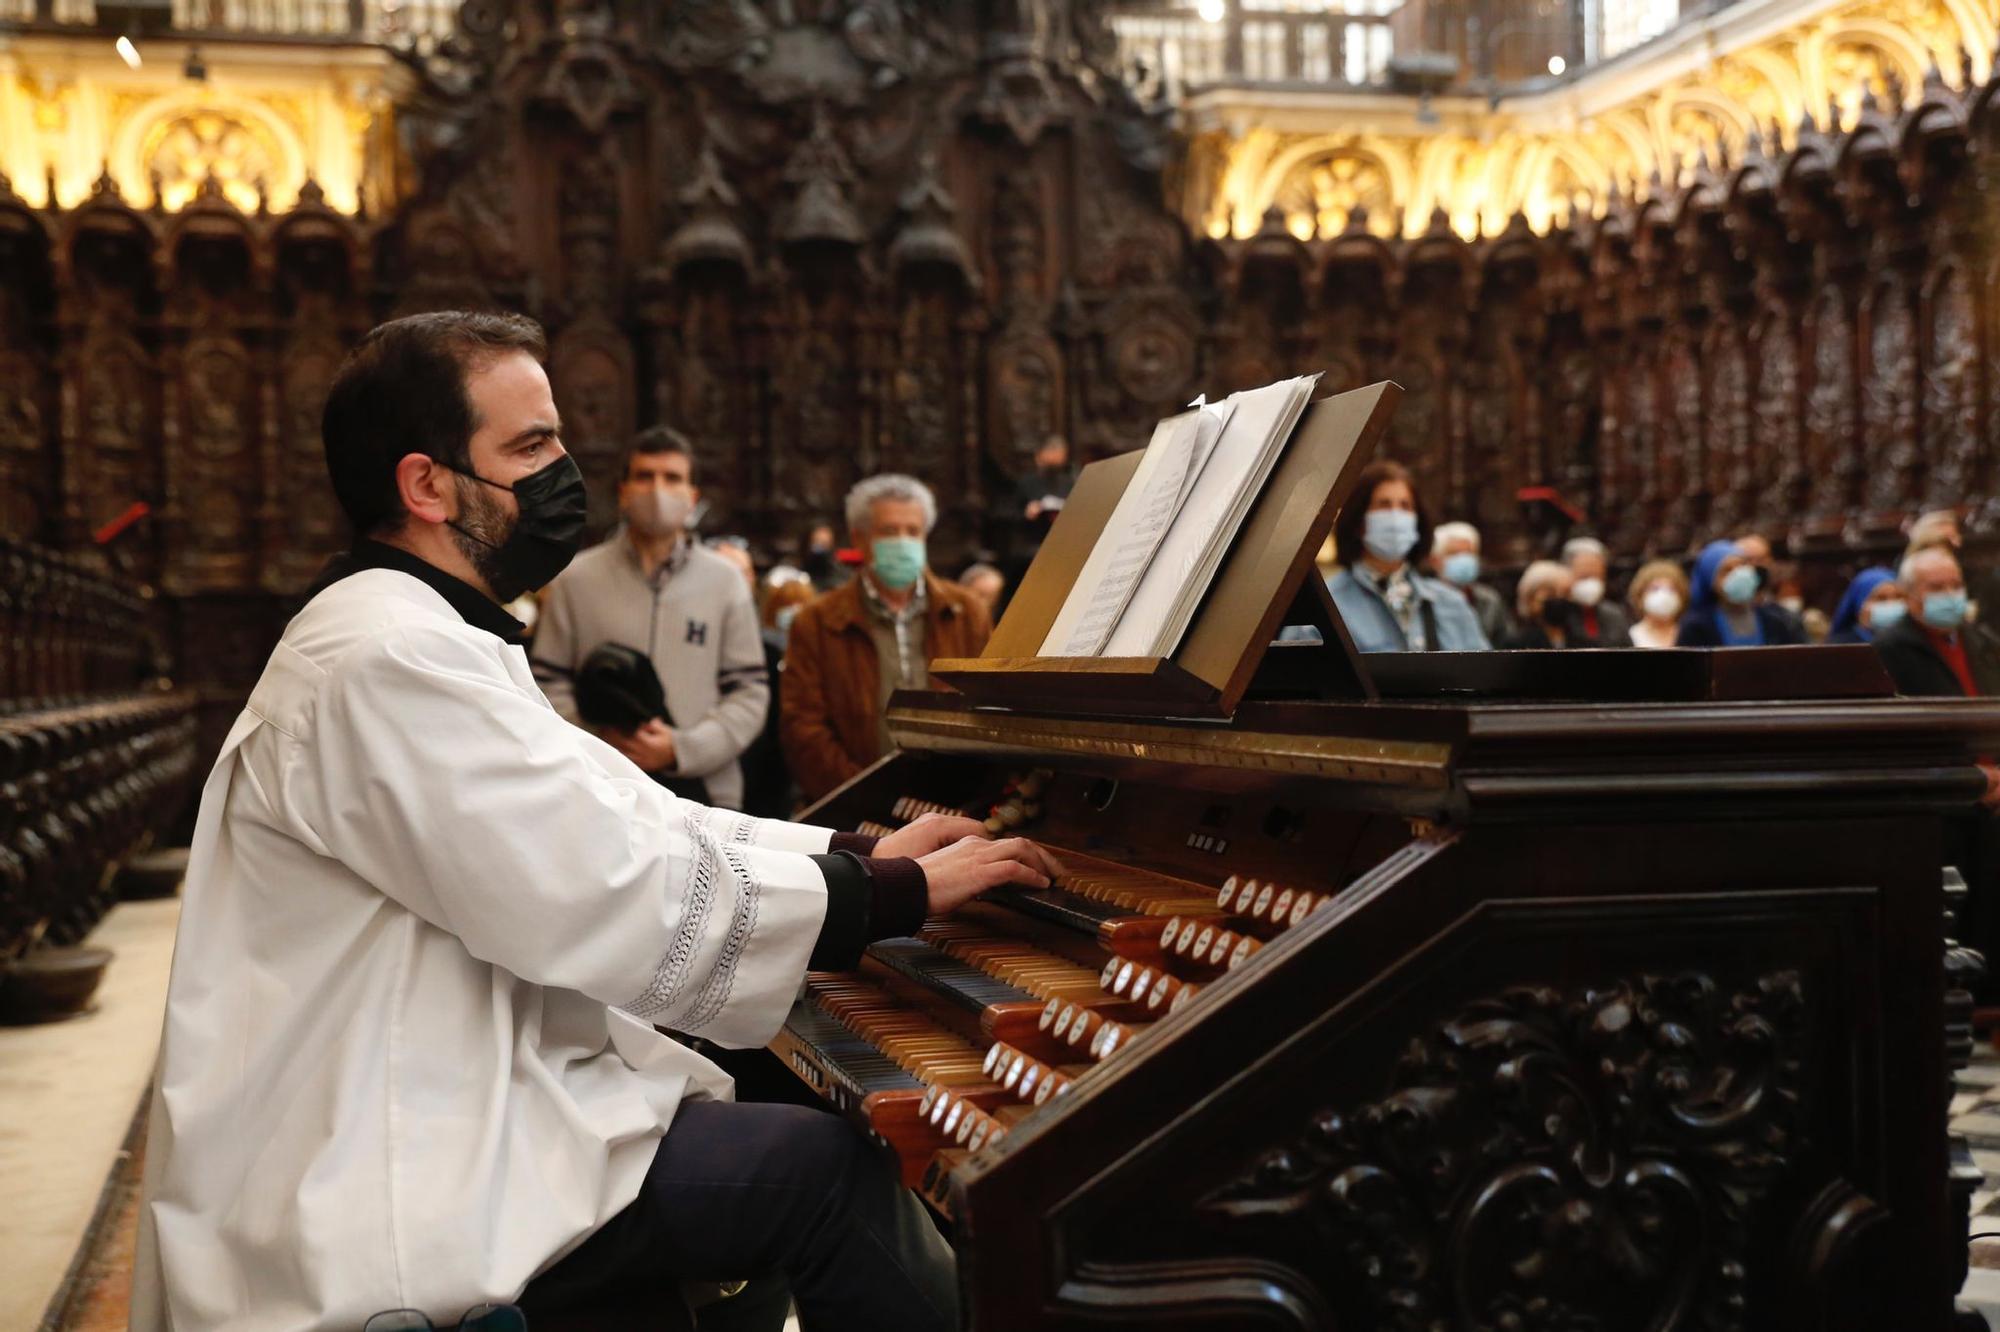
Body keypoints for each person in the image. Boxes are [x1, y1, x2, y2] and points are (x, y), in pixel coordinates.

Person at [133, 312, 1059, 1332]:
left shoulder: (425, 632)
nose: (566, 471)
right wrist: (887, 894)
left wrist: (858, 852)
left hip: (456, 1095)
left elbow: (628, 812)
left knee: (756, 1108)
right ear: (427, 484)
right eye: (530, 447)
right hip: (383, 1159)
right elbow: (603, 883)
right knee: (821, 1174)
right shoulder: (386, 656)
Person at [530, 427, 769, 810]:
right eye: (644, 477)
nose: (657, 489)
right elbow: (546, 681)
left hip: (704, 793)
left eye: (672, 478)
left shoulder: (725, 582)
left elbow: (749, 690)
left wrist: (682, 747)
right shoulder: (576, 579)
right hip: (600, 789)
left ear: (692, 498)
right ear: (623, 491)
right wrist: (600, 742)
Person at [783, 474, 993, 802]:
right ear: (859, 538)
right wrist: (867, 796)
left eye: (913, 532)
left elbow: (989, 707)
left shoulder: (966, 612)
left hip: (954, 803)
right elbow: (803, 728)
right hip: (856, 805)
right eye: (889, 531)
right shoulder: (817, 622)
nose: (903, 542)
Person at [1326, 461, 1490, 653]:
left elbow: (1485, 677)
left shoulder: (1451, 603)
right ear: (1359, 521)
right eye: (1384, 504)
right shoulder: (1329, 607)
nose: (1396, 516)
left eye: (1405, 506)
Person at [1872, 547, 1995, 697]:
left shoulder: (1982, 639)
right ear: (1908, 596)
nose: (1950, 594)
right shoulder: (1888, 649)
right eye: (1936, 588)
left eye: (1957, 585)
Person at [1676, 538, 1806, 646]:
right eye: (1727, 570)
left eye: (1742, 565)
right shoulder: (1696, 627)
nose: (1738, 573)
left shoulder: (1775, 621)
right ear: (1710, 581)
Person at [1428, 520, 1514, 646]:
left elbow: (1507, 645)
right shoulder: (1425, 600)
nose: (1463, 559)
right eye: (1454, 553)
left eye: (1469, 553)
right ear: (1435, 561)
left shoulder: (1490, 600)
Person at [1731, 533, 1806, 641]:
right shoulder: (1714, 618)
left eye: (1761, 560)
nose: (1755, 566)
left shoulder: (1786, 620)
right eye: (1747, 560)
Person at [1562, 537, 1630, 645]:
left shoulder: (1615, 616)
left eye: (1597, 577)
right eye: (1584, 576)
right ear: (1566, 573)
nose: (1591, 583)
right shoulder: (1558, 617)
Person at [1501, 560, 1583, 649]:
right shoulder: (1517, 644)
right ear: (1530, 598)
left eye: (1566, 593)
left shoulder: (1585, 644)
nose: (1559, 598)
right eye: (1550, 593)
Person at [1825, 566, 1903, 645]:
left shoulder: (1909, 642)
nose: (1891, 603)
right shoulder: (1838, 646)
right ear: (1860, 604)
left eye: (1898, 596)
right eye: (1881, 598)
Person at [1624, 559, 1689, 649]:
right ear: (1640, 595)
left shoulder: (1691, 635)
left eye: (1671, 589)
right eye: (1655, 588)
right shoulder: (1629, 636)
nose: (1664, 595)